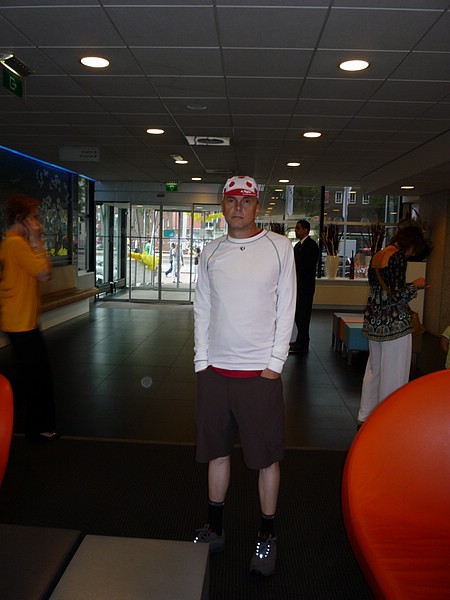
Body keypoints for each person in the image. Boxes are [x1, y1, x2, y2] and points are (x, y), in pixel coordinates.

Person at [192, 175, 296, 576]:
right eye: (232, 199)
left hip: (259, 375)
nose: (238, 206)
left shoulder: (278, 247)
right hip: (215, 373)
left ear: (257, 206)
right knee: (216, 451)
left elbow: (287, 306)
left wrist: (275, 363)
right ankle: (214, 529)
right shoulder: (211, 250)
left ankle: (267, 536)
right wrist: (202, 362)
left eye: (246, 200)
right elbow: (202, 307)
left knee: (266, 458)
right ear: (223, 204)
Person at [0, 194, 59, 442]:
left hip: (20, 320)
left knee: (26, 376)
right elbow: (45, 273)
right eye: (33, 217)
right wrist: (37, 239)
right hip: (21, 322)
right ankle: (37, 429)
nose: (38, 223)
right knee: (37, 377)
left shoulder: (10, 243)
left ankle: (23, 425)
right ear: (20, 219)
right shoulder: (16, 244)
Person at [357, 224, 428, 427]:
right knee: (395, 371)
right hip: (394, 324)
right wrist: (417, 285)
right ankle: (389, 416)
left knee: (374, 369)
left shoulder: (379, 254)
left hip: (374, 320)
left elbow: (378, 290)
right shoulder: (398, 257)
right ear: (410, 244)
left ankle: (366, 414)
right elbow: (396, 295)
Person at [289, 219, 319, 354]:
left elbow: (306, 267)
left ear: (305, 230)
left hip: (305, 287)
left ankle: (303, 342)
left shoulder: (311, 246)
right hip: (298, 286)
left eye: (298, 228)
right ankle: (300, 340)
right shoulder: (297, 246)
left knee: (303, 314)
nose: (296, 231)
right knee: (298, 314)